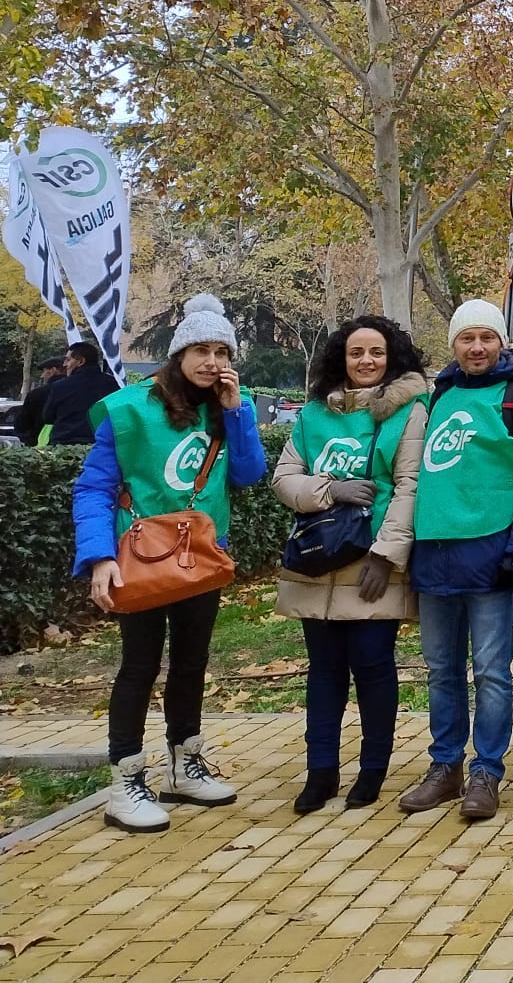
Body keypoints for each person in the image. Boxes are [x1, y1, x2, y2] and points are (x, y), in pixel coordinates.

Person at [71, 295, 268, 832]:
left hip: (200, 557)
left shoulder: (229, 405)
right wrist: (97, 559)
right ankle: (126, 780)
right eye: (201, 350)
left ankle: (184, 765)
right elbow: (93, 488)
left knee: (190, 662)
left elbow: (249, 475)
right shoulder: (131, 409)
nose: (212, 361)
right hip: (138, 559)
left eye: (222, 350)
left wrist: (237, 412)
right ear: (179, 353)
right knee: (139, 666)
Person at [398, 300, 513, 822]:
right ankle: (444, 764)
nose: (477, 348)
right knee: (441, 668)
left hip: (492, 551)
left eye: (486, 338)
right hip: (435, 551)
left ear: (501, 343)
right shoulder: (441, 392)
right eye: (467, 339)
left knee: (491, 670)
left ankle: (486, 770)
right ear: (454, 345)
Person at [272, 316, 429, 814]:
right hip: (318, 558)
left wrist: (386, 557)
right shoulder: (313, 414)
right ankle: (320, 772)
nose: (366, 361)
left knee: (372, 667)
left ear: (392, 358)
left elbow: (410, 485)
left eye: (376, 353)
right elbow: (283, 477)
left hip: (372, 560)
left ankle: (372, 770)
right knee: (323, 672)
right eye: (356, 352)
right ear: (341, 357)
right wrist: (328, 490)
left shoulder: (409, 411)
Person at [42, 340, 120, 445]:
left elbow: (48, 417)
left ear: (81, 362)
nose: (65, 364)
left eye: (68, 360)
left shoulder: (60, 386)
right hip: (99, 444)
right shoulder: (112, 384)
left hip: (64, 444)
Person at [14, 355, 63, 446]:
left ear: (53, 371)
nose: (42, 376)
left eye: (44, 371)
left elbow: (22, 424)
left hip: (39, 445)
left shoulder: (37, 394)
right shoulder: (80, 391)